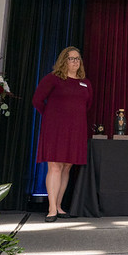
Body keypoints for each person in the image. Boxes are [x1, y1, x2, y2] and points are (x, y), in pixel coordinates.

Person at [32, 47, 93, 222]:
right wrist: (52, 117)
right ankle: (51, 209)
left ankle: (59, 206)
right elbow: (37, 100)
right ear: (63, 61)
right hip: (55, 129)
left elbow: (87, 105)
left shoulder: (85, 83)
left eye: (78, 59)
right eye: (71, 58)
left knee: (67, 167)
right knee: (55, 166)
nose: (75, 62)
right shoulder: (53, 79)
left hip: (76, 129)